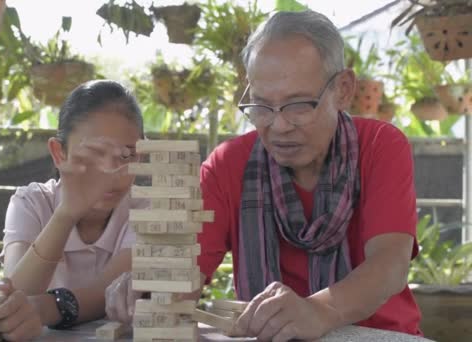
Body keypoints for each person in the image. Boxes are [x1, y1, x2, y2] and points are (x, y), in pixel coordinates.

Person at [106, 10, 422, 342]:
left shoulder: (379, 145)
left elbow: (390, 264)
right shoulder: (228, 164)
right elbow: (183, 269)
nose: (279, 126)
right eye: (261, 106)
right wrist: (150, 290)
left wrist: (319, 310)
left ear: (343, 90)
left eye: (299, 104)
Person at [0, 80, 147, 341]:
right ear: (59, 153)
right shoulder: (31, 202)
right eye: (94, 153)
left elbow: (105, 291)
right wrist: (66, 213)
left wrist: (44, 308)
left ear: (142, 154)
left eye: (127, 155)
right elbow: (16, 293)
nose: (112, 172)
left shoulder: (147, 210)